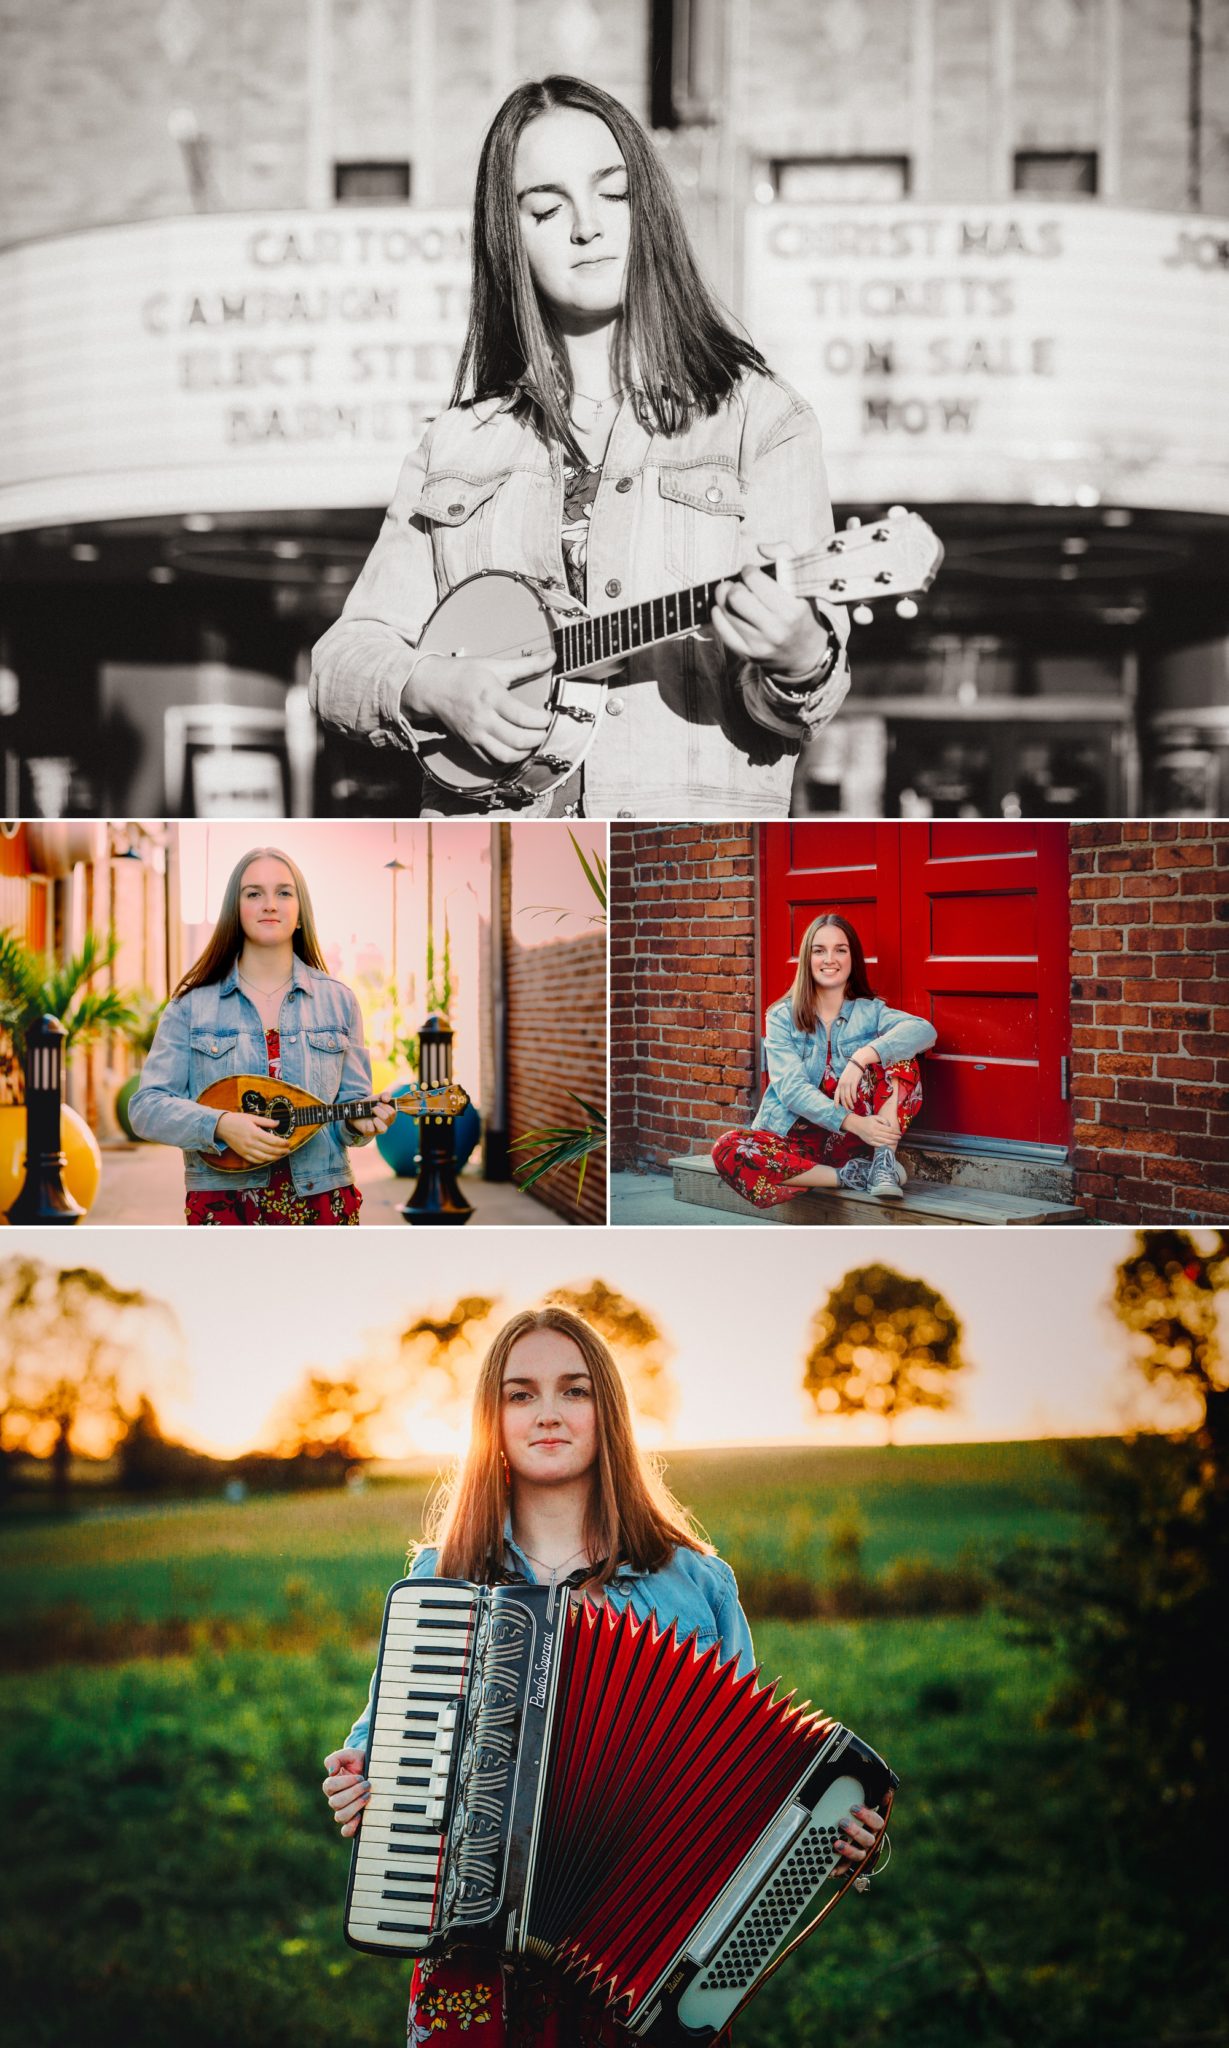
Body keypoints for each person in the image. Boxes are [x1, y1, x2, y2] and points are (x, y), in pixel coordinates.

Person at [322, 1306, 885, 2044]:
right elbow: (375, 1752)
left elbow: (761, 1794)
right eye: (519, 1393)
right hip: (469, 1972)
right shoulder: (444, 1580)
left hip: (642, 1971)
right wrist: (357, 1785)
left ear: (608, 1413)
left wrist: (843, 1843)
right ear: (489, 1419)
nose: (547, 1413)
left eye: (573, 1390)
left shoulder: (696, 1585)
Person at [310, 74, 850, 821]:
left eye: (612, 192)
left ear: (648, 208)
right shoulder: (457, 444)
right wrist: (429, 686)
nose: (586, 226)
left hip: (675, 868)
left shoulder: (760, 418)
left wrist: (797, 657)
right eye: (545, 207)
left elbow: (791, 716)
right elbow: (341, 662)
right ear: (510, 235)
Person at [129, 846, 394, 1224]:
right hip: (225, 1207)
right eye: (254, 893)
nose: (270, 904)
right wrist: (219, 1125)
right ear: (234, 913)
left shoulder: (340, 1002)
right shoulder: (190, 1006)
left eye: (284, 892)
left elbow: (348, 1115)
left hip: (322, 1206)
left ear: (301, 914)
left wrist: (359, 1123)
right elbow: (146, 1107)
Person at [711, 913, 936, 1210]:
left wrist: (861, 1057)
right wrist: (854, 1123)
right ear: (808, 958)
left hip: (857, 1144)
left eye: (840, 950)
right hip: (798, 1143)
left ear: (852, 958)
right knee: (727, 1149)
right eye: (819, 950)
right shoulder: (781, 1017)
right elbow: (791, 1089)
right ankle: (852, 1176)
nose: (830, 959)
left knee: (900, 1056)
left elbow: (924, 1031)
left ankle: (883, 1161)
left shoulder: (871, 1012)